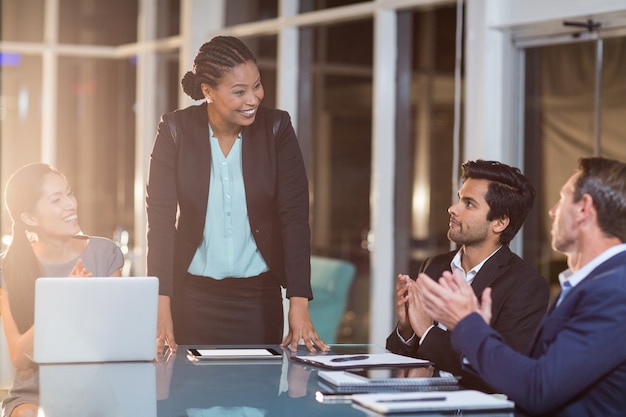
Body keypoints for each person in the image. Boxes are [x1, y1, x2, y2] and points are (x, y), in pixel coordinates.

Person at [146, 36, 326, 353]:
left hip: (258, 300)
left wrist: (298, 302)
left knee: (258, 397)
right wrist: (162, 303)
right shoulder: (175, 130)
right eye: (239, 91)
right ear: (208, 92)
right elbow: (159, 221)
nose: (253, 99)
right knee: (190, 399)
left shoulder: (277, 128)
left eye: (256, 86)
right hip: (193, 298)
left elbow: (294, 216)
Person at [416, 156, 626, 416]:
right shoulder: (597, 284)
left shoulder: (614, 292)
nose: (553, 211)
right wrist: (476, 330)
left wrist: (468, 324)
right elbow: (534, 373)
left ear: (584, 208)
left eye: (562, 198)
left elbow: (539, 389)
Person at [386, 159, 550, 391]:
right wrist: (406, 328)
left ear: (500, 222)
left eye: (469, 204)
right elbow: (402, 357)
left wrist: (427, 332)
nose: (453, 208)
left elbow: (502, 372)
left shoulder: (526, 286)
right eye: (459, 198)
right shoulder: (434, 265)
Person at [0, 162, 124, 417]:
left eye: (69, 193)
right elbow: (19, 358)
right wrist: (62, 300)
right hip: (34, 393)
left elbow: (115, 341)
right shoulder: (7, 268)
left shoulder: (105, 254)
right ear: (30, 218)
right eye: (56, 199)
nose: (70, 204)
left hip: (95, 387)